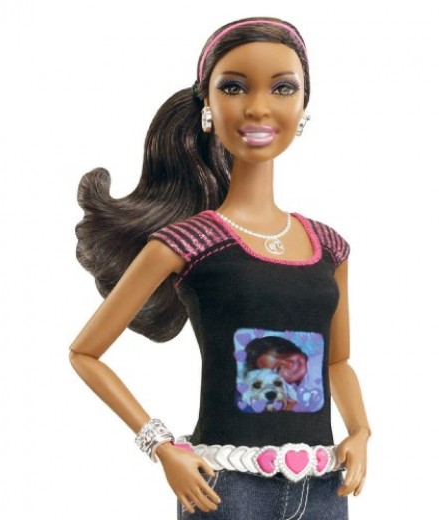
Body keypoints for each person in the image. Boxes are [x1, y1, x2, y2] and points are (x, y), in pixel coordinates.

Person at [69, 16, 371, 519]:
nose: (258, 107)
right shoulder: (191, 241)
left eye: (282, 87)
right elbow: (85, 352)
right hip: (226, 487)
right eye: (233, 87)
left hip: (324, 488)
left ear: (303, 106)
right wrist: (161, 446)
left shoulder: (330, 246)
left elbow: (337, 362)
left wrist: (360, 431)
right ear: (207, 106)